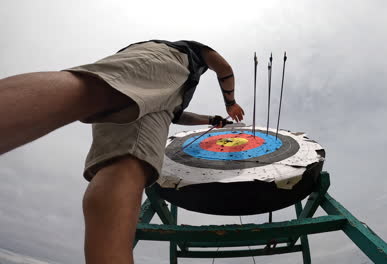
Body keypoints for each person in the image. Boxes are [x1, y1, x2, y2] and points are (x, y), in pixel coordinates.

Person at [0, 39, 245, 264]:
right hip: (159, 62)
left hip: (162, 106)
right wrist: (230, 103)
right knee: (94, 91)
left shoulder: (174, 91)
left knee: (129, 165)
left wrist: (212, 119)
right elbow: (222, 67)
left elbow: (176, 115)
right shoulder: (186, 53)